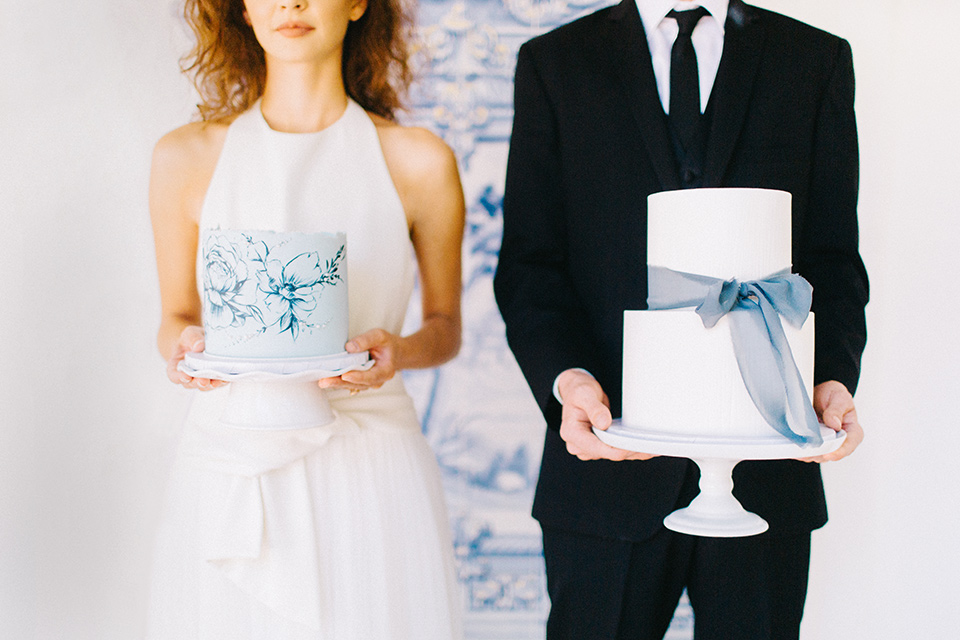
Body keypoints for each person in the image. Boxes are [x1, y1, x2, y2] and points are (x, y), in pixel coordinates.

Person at [494, 0, 868, 638]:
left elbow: (832, 259)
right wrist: (568, 381)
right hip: (607, 468)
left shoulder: (814, 58)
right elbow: (530, 265)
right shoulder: (555, 63)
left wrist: (832, 377)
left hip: (768, 464)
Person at [146, 0, 465, 637]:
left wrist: (396, 353)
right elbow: (175, 316)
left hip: (370, 461)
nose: (289, 3)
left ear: (356, 5)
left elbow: (445, 327)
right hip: (230, 458)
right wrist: (183, 347)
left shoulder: (419, 160)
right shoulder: (184, 156)